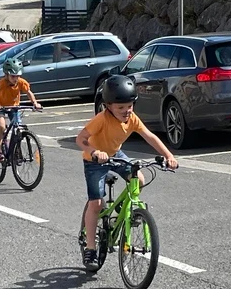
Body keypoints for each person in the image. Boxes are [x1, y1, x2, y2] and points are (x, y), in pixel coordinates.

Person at [75, 74, 178, 271]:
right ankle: (90, 247)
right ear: (108, 106)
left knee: (139, 179)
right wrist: (94, 152)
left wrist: (168, 155)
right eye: (120, 107)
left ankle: (126, 206)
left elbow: (149, 136)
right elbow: (81, 139)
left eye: (129, 106)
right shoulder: (101, 119)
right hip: (95, 160)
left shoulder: (132, 119)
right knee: (96, 204)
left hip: (115, 154)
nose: (126, 111)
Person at [0, 57, 41, 159]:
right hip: (1, 107)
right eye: (13, 76)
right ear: (6, 75)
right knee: (2, 126)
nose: (15, 79)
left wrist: (35, 103)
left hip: (14, 107)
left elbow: (29, 92)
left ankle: (15, 150)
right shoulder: (1, 83)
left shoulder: (21, 82)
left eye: (18, 76)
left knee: (18, 127)